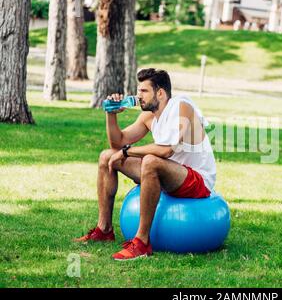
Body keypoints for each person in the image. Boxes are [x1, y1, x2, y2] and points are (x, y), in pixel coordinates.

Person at [74, 68, 216, 261]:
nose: (138, 95)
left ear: (160, 93)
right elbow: (117, 143)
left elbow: (166, 150)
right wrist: (111, 114)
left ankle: (141, 242)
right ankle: (104, 229)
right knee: (106, 156)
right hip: (168, 173)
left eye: (144, 91)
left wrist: (126, 152)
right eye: (138, 90)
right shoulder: (149, 116)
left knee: (150, 161)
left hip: (196, 180)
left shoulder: (182, 106)